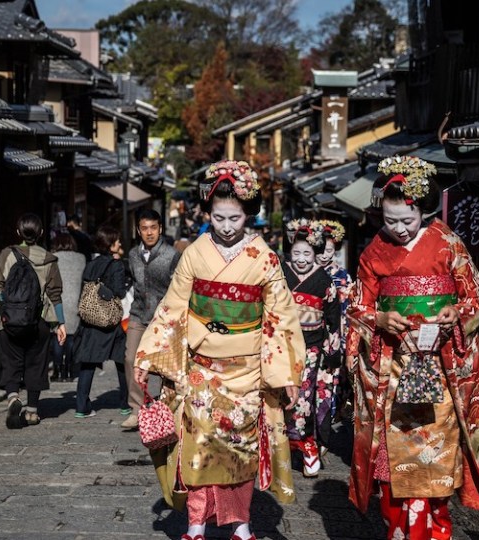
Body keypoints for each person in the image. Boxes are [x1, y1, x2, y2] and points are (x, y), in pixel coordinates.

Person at [134, 159, 304, 540]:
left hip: (247, 372)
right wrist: (148, 354)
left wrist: (287, 374)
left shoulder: (266, 258)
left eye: (235, 218)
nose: (227, 227)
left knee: (239, 454)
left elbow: (280, 318)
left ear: (250, 215)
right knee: (197, 449)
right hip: (202, 371)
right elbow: (174, 307)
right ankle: (196, 523)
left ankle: (240, 523)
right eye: (219, 217)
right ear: (207, 213)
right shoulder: (195, 253)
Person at [345, 155, 479, 539]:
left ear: (424, 211)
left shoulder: (447, 243)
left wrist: (455, 313)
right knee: (394, 465)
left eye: (407, 221)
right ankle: (400, 531)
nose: (398, 229)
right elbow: (357, 306)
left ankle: (434, 531)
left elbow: (478, 297)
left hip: (440, 369)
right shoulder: (374, 253)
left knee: (436, 461)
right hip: (393, 369)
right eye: (390, 220)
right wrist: (378, 320)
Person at [0, 213, 67, 428]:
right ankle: (32, 412)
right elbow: (55, 295)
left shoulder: (7, 255)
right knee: (36, 363)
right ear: (41, 233)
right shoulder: (49, 259)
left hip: (9, 322)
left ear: (18, 233)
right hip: (39, 322)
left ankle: (13, 397)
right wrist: (60, 323)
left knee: (10, 361)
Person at [281, 218, 341, 476]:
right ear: (289, 252)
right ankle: (278, 449)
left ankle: (308, 448)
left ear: (315, 253)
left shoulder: (324, 280)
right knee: (276, 398)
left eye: (307, 253)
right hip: (281, 344)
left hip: (311, 346)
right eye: (296, 253)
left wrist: (334, 342)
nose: (302, 258)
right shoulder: (281, 273)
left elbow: (332, 316)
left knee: (304, 399)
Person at [121, 208, 181, 430]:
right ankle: (136, 410)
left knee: (165, 365)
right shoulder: (133, 255)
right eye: (144, 228)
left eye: (153, 228)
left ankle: (168, 407)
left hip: (163, 318)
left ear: (160, 229)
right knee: (131, 359)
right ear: (138, 230)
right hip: (138, 314)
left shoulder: (172, 255)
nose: (149, 233)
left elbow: (178, 287)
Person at [72, 225, 131, 418]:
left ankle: (81, 406)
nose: (120, 243)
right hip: (111, 320)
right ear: (110, 243)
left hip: (91, 320)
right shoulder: (116, 265)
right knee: (122, 362)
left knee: (87, 363)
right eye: (117, 240)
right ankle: (125, 404)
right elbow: (120, 292)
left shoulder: (90, 264)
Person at [315, 220, 354, 423]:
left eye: (329, 250)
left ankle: (328, 420)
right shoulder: (306, 271)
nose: (324, 255)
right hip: (312, 331)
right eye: (321, 249)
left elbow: (347, 309)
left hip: (336, 331)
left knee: (333, 378)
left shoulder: (342, 276)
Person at [51, 233, 85, 382]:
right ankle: (70, 370)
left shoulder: (53, 258)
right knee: (71, 338)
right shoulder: (81, 258)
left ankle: (58, 371)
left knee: (58, 337)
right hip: (75, 302)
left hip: (58, 302)